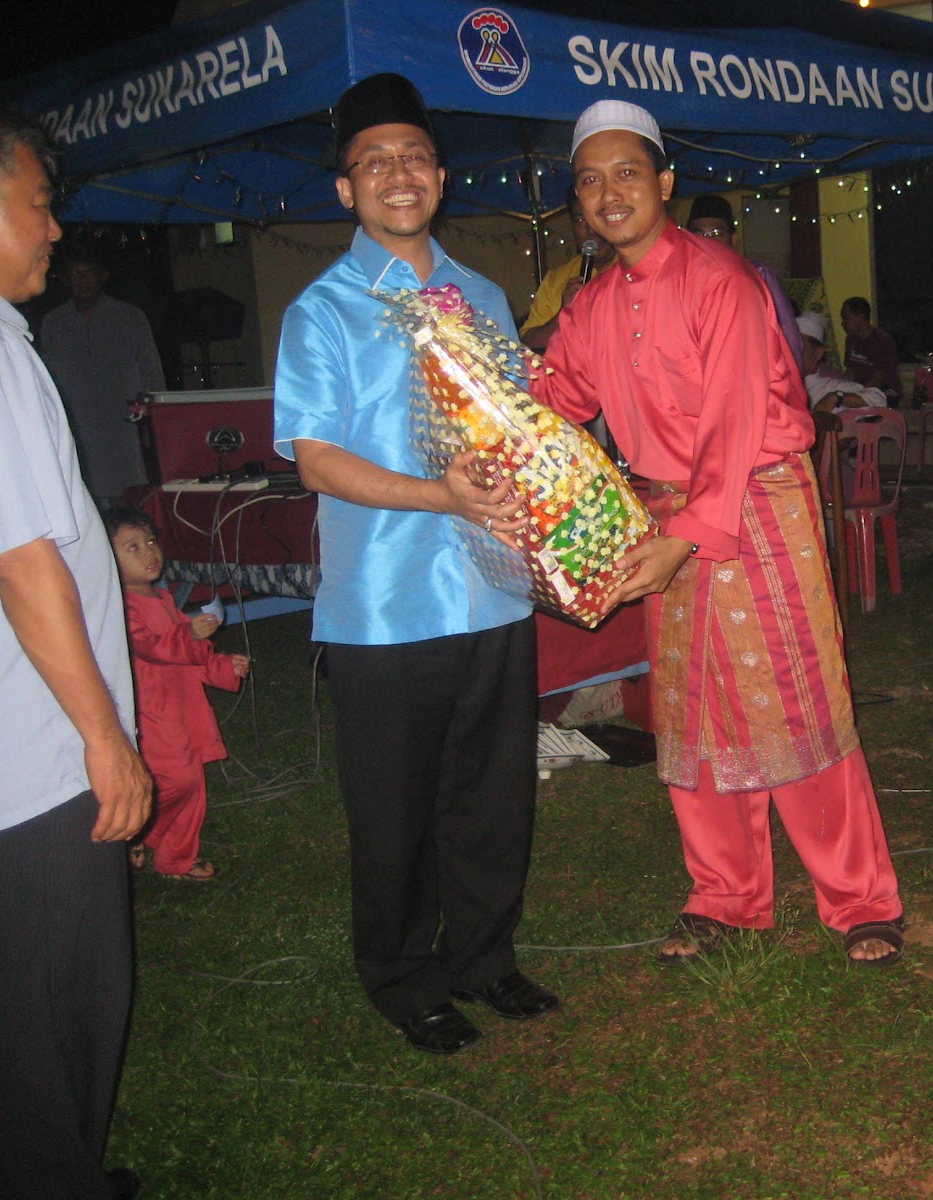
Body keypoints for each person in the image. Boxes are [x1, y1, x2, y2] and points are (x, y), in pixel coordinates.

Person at [534, 99, 905, 966]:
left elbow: (737, 419)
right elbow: (557, 404)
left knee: (794, 702)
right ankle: (727, 896)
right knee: (691, 714)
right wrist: (495, 418)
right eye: (590, 180)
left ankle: (858, 901)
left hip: (756, 503)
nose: (608, 192)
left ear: (663, 182)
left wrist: (686, 536)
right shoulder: (588, 307)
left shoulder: (721, 281)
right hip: (661, 510)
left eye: (627, 172)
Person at [273, 73, 556, 1056]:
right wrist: (440, 495)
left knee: (492, 792)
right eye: (373, 161)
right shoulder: (325, 312)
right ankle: (401, 975)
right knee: (394, 810)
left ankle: (484, 955)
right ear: (345, 190)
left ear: (441, 175)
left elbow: (517, 432)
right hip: (385, 606)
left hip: (491, 586)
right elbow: (315, 456)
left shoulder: (479, 296)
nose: (398, 174)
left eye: (414, 157)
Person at [0, 98, 152, 1200]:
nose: (55, 231)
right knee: (51, 1012)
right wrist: (105, 739)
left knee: (9, 1012)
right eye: (39, 207)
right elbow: (24, 563)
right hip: (33, 760)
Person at [105, 507, 249, 881]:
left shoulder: (163, 600)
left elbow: (190, 657)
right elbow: (150, 646)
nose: (149, 553)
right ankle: (140, 830)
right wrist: (189, 635)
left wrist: (222, 667)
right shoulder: (119, 608)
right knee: (177, 782)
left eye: (151, 542)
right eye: (132, 548)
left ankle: (176, 859)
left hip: (185, 709)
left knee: (193, 785)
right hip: (152, 714)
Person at [39, 239, 165, 507]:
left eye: (86, 274)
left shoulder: (129, 317)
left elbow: (151, 371)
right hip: (76, 429)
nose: (80, 281)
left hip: (123, 430)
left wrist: (154, 420)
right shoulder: (54, 323)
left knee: (130, 502)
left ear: (102, 277)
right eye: (74, 274)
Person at [685, 193, 805, 370]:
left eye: (717, 233)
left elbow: (790, 348)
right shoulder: (676, 283)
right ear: (687, 240)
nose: (708, 241)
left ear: (733, 240)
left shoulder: (759, 277)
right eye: (699, 234)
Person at [519, 187, 618, 353]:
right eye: (580, 221)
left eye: (598, 217)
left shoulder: (635, 266)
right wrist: (564, 315)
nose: (590, 230)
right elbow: (526, 344)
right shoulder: (556, 279)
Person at [796, 311, 888, 413]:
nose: (791, 353)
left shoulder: (830, 387)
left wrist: (836, 398)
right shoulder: (781, 384)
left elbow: (878, 399)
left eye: (798, 348)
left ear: (817, 353)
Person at [839, 295, 902, 401]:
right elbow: (850, 370)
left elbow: (878, 377)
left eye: (846, 317)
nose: (843, 323)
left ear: (860, 317)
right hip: (862, 389)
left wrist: (857, 394)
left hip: (885, 390)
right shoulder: (851, 339)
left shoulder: (882, 340)